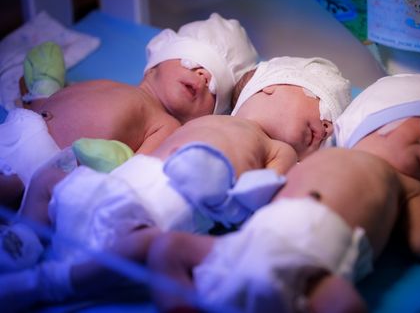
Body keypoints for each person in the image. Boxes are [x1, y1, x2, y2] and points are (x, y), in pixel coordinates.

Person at [0, 56, 351, 310]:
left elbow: (263, 195)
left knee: (146, 249)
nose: (326, 128)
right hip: (120, 184)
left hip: (159, 211)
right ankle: (25, 237)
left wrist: (227, 194)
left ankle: (54, 282)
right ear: (270, 88)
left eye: (330, 127)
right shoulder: (182, 122)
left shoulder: (277, 150)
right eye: (321, 108)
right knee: (50, 176)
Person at [145, 74, 420, 312]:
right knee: (166, 247)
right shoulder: (313, 153)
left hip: (315, 271)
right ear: (378, 117)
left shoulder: (408, 188)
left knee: (346, 305)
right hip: (255, 239)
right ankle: (179, 303)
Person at [0, 13, 259, 205]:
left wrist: (115, 163)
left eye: (213, 88)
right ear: (157, 62)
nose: (203, 77)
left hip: (45, 169)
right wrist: (44, 89)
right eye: (192, 63)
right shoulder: (111, 85)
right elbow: (53, 107)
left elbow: (136, 170)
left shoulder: (165, 124)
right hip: (18, 127)